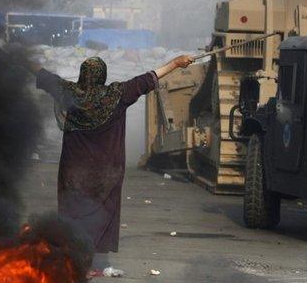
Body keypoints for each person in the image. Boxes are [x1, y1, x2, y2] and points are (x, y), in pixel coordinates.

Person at [24, 54, 194, 253]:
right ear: (102, 75)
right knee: (101, 213)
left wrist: (19, 56)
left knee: (73, 211)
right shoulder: (117, 94)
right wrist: (175, 63)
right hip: (107, 172)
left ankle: (72, 253)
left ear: (82, 74)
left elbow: (42, 74)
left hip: (73, 171)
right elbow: (148, 78)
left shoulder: (68, 92)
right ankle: (90, 253)